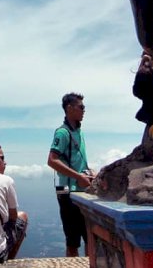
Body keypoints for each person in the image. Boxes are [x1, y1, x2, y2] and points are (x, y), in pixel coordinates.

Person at [47, 92, 94, 257]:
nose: (84, 110)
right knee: (72, 241)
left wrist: (88, 172)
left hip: (80, 190)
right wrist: (78, 176)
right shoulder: (62, 133)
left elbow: (77, 160)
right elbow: (52, 160)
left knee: (90, 238)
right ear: (69, 108)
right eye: (81, 107)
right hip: (66, 191)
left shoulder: (79, 132)